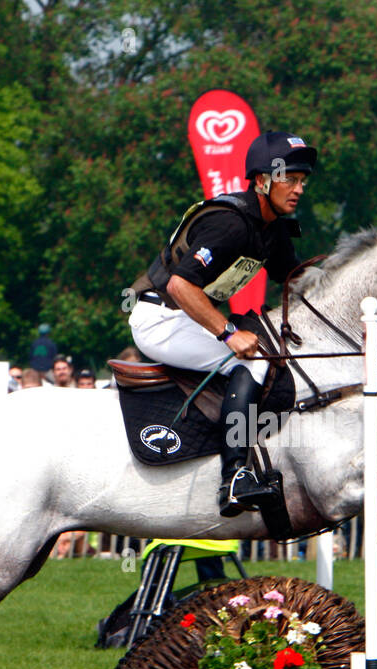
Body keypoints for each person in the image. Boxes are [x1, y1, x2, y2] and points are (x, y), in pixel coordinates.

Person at [127, 130, 315, 516]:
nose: (298, 189)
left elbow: (297, 280)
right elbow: (180, 285)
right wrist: (227, 333)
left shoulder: (273, 230)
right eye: (290, 179)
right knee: (252, 361)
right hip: (161, 317)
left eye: (302, 181)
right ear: (262, 181)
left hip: (188, 320)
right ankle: (234, 478)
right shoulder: (230, 224)